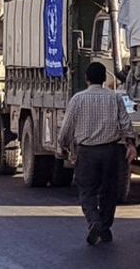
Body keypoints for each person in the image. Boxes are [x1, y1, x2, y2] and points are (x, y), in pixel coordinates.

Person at [57, 61, 134, 246]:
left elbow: (66, 128)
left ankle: (95, 222)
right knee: (109, 191)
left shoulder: (77, 99)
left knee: (87, 191)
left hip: (87, 152)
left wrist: (63, 146)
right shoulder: (114, 98)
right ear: (105, 79)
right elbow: (125, 123)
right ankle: (105, 227)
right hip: (111, 151)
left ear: (86, 79)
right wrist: (130, 143)